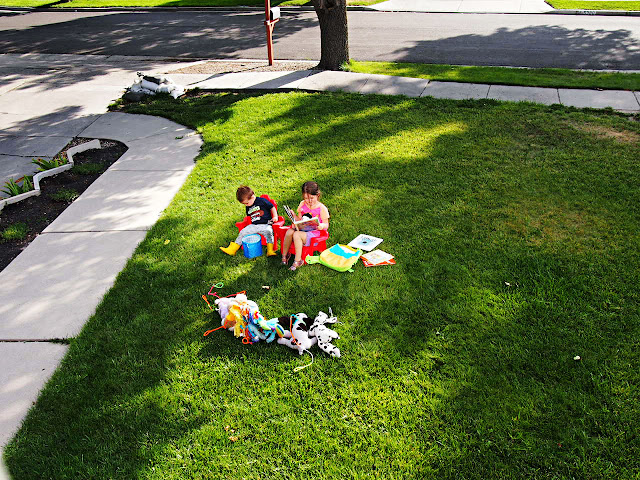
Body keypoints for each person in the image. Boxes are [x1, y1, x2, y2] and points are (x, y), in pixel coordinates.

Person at [281, 181, 330, 271]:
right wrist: (293, 216)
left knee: (296, 235)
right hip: (303, 230)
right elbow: (300, 220)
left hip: (314, 234)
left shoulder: (321, 208)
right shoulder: (302, 204)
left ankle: (298, 261)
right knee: (289, 232)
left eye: (312, 198)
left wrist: (321, 226)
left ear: (317, 195)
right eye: (306, 198)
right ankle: (285, 255)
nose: (309, 201)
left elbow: (326, 225)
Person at [220, 186, 278, 256]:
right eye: (244, 204)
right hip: (254, 225)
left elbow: (272, 207)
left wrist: (275, 216)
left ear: (252, 197)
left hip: (265, 224)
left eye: (246, 203)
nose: (246, 205)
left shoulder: (262, 201)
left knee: (269, 232)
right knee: (242, 232)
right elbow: (248, 217)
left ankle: (270, 250)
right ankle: (233, 249)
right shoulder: (248, 206)